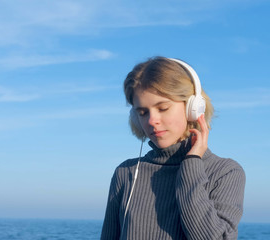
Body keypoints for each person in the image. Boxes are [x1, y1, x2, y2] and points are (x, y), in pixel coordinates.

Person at [101, 56, 245, 240]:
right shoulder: (126, 173)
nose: (152, 121)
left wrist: (191, 165)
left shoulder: (225, 172)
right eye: (143, 113)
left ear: (193, 108)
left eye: (162, 108)